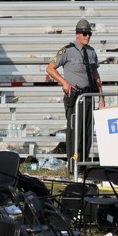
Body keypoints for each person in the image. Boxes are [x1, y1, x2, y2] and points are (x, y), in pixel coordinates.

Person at [45, 18, 102, 165]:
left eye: (89, 33)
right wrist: (64, 82)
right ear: (77, 34)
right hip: (75, 96)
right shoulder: (67, 50)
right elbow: (50, 68)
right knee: (75, 130)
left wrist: (101, 97)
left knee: (88, 131)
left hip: (88, 95)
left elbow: (96, 75)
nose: (87, 36)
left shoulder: (91, 52)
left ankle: (83, 162)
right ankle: (73, 164)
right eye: (84, 33)